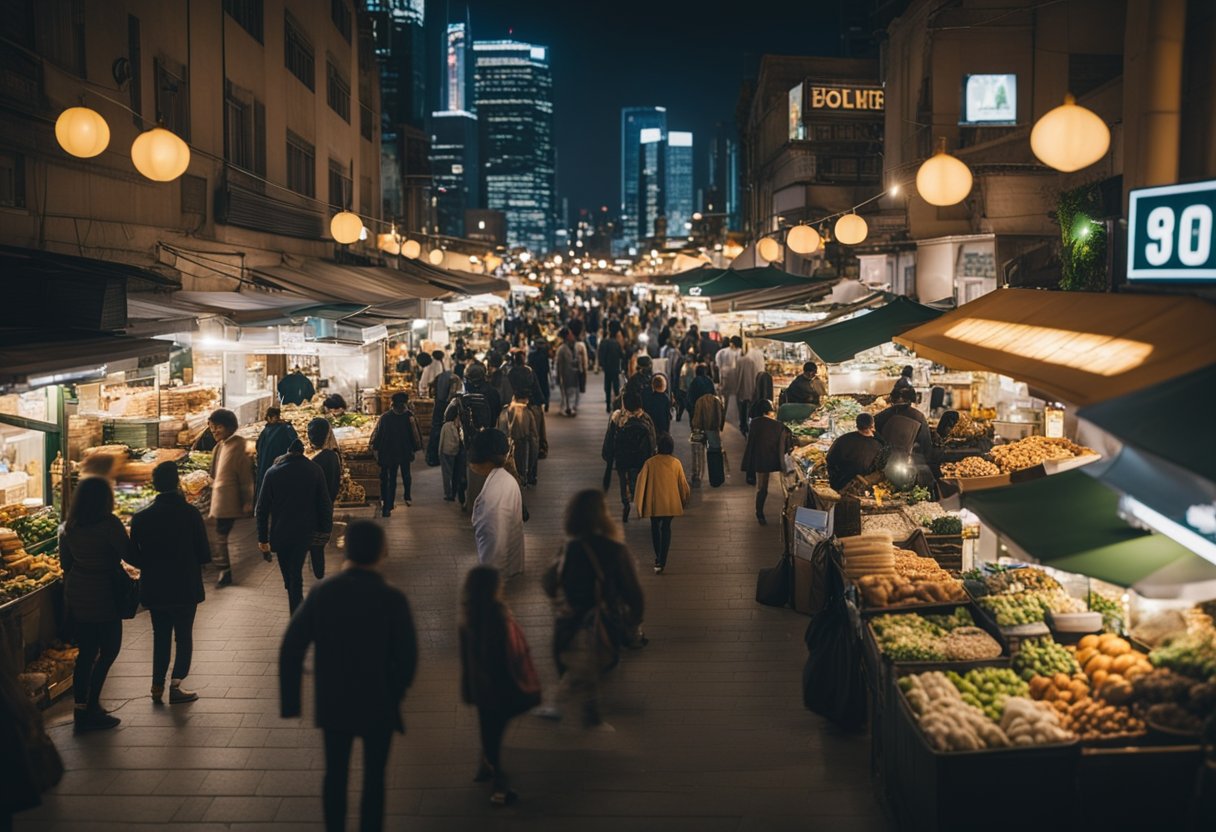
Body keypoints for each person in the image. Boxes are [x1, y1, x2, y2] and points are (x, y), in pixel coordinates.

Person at [280, 521, 417, 832]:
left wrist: (291, 703)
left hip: (334, 700)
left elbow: (291, 647)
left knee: (335, 775)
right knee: (374, 779)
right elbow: (408, 657)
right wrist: (396, 691)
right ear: (382, 551)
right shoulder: (392, 598)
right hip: (379, 700)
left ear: (346, 550)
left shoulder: (322, 593)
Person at [540, 490, 645, 730]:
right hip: (602, 627)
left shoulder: (567, 549)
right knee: (595, 670)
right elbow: (634, 595)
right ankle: (588, 716)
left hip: (567, 628)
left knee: (578, 670)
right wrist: (632, 623)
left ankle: (579, 711)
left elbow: (548, 583)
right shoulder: (616, 551)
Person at [128, 461, 211, 705]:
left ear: (155, 485)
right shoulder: (190, 514)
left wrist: (150, 564)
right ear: (177, 482)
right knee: (184, 636)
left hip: (155, 587)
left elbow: (132, 556)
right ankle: (176, 684)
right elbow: (204, 554)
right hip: (185, 585)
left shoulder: (141, 518)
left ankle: (157, 686)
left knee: (160, 636)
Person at [459, 566, 541, 806]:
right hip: (500, 686)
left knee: (488, 728)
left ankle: (486, 765)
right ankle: (499, 787)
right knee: (494, 732)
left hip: (479, 687)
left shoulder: (468, 614)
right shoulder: (497, 615)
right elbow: (503, 653)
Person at [58, 477, 134, 731]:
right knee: (110, 649)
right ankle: (92, 706)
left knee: (87, 651)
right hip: (105, 591)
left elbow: (65, 564)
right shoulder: (109, 524)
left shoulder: (69, 526)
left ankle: (81, 709)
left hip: (78, 591)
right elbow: (129, 555)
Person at [256, 441, 334, 613]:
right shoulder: (315, 470)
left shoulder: (272, 472)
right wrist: (326, 530)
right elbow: (324, 504)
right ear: (302, 452)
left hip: (280, 532)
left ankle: (296, 610)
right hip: (305, 531)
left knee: (290, 574)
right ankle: (296, 603)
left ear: (287, 452)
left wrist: (262, 539)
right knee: (294, 573)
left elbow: (262, 508)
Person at [207, 408, 253, 588]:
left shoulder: (240, 445)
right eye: (212, 428)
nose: (214, 431)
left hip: (228, 500)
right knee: (219, 534)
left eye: (218, 427)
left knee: (220, 534)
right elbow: (213, 473)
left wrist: (247, 500)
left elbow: (245, 476)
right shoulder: (219, 446)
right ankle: (224, 569)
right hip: (219, 498)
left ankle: (225, 571)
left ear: (229, 427)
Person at [470, 429, 525, 579]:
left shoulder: (493, 495)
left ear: (485, 459)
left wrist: (489, 578)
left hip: (496, 574)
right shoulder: (508, 480)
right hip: (508, 568)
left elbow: (493, 537)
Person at [633, 433, 691, 574]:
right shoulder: (676, 463)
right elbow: (683, 485)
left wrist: (639, 506)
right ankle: (662, 560)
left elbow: (640, 484)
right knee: (666, 527)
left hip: (654, 502)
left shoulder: (650, 463)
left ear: (658, 447)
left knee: (655, 527)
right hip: (670, 502)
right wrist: (684, 501)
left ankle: (658, 556)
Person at [606, 392, 657, 524]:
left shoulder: (618, 418)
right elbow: (652, 439)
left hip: (623, 458)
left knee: (624, 481)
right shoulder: (646, 418)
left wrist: (609, 455)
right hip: (642, 458)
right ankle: (640, 503)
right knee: (641, 480)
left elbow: (610, 439)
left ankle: (626, 503)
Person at [741, 400, 794, 526]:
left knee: (762, 488)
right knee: (786, 487)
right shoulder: (778, 426)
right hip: (776, 458)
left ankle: (759, 513)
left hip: (760, 460)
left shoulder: (754, 424)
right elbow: (784, 445)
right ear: (768, 411)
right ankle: (787, 512)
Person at [369, 392, 422, 516]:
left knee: (390, 479)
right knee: (406, 474)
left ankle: (388, 505)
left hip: (389, 452)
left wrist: (375, 448)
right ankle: (407, 496)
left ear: (392, 403)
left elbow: (377, 435)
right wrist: (415, 448)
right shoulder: (409, 416)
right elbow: (415, 435)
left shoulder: (385, 417)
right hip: (404, 451)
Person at [307, 418, 342, 580]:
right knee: (318, 545)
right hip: (327, 506)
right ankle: (318, 574)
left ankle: (318, 576)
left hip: (314, 510)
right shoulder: (333, 456)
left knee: (314, 545)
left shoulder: (317, 460)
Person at [825, 413, 884, 492]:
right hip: (862, 487)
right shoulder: (878, 446)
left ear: (857, 426)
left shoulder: (843, 439)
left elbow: (829, 459)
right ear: (872, 425)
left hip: (839, 484)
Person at [497, 393, 539, 488]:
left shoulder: (504, 412)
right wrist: (532, 474)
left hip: (507, 447)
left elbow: (500, 431)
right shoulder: (528, 412)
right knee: (521, 469)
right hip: (523, 446)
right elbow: (534, 438)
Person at [255, 407, 298, 497]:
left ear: (269, 418)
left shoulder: (267, 431)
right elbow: (295, 443)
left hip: (266, 469)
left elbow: (258, 448)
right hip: (279, 469)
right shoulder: (284, 428)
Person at [689, 384, 726, 486]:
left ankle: (697, 477)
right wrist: (720, 427)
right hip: (713, 430)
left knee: (697, 455)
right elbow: (721, 416)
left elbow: (696, 419)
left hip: (699, 431)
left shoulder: (699, 401)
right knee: (714, 454)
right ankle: (716, 478)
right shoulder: (717, 400)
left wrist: (694, 429)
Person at [736, 341, 765, 437]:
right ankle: (747, 427)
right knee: (748, 407)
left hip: (744, 389)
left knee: (743, 407)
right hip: (752, 387)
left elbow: (738, 376)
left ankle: (743, 426)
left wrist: (737, 389)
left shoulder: (741, 360)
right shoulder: (753, 359)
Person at [439, 408, 465, 503]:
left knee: (451, 474)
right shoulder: (449, 426)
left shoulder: (458, 426)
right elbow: (442, 440)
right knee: (448, 474)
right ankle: (450, 493)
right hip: (448, 452)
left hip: (453, 452)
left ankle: (451, 493)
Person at [597, 323, 625, 412]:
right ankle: (617, 405)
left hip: (607, 368)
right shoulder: (617, 343)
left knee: (607, 386)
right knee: (616, 387)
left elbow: (601, 354)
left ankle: (608, 405)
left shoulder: (604, 342)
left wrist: (602, 365)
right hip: (615, 368)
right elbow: (621, 355)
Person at [715, 335, 742, 424]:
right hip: (735, 380)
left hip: (724, 378)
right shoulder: (740, 352)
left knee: (724, 399)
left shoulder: (722, 352)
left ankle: (723, 416)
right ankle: (734, 419)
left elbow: (718, 365)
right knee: (734, 400)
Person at [555, 329, 581, 416]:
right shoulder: (562, 349)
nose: (572, 336)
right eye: (570, 334)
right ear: (566, 337)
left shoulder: (574, 346)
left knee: (572, 393)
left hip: (573, 374)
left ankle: (569, 408)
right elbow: (559, 365)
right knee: (566, 393)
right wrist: (559, 377)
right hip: (566, 375)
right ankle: (566, 409)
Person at [527, 339, 551, 412]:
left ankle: (538, 403)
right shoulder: (545, 355)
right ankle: (546, 402)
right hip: (543, 375)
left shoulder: (532, 355)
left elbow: (530, 365)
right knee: (545, 389)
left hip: (536, 375)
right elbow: (547, 367)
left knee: (536, 389)